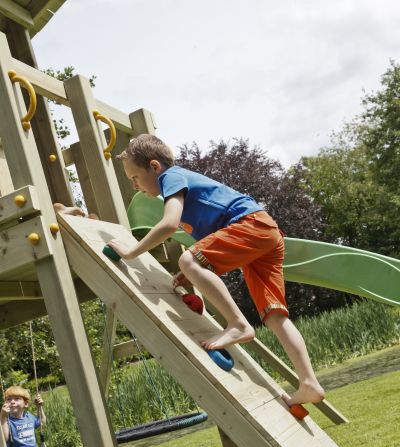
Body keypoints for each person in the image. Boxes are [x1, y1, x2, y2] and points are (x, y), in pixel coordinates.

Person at [106, 134, 324, 407]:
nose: (136, 186)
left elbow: (169, 224)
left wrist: (132, 251)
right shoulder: (180, 186)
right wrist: (193, 271)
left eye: (134, 177)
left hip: (250, 224)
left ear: (154, 166)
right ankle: (309, 383)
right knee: (274, 315)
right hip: (265, 233)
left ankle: (238, 324)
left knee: (189, 259)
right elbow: (214, 244)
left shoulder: (170, 177)